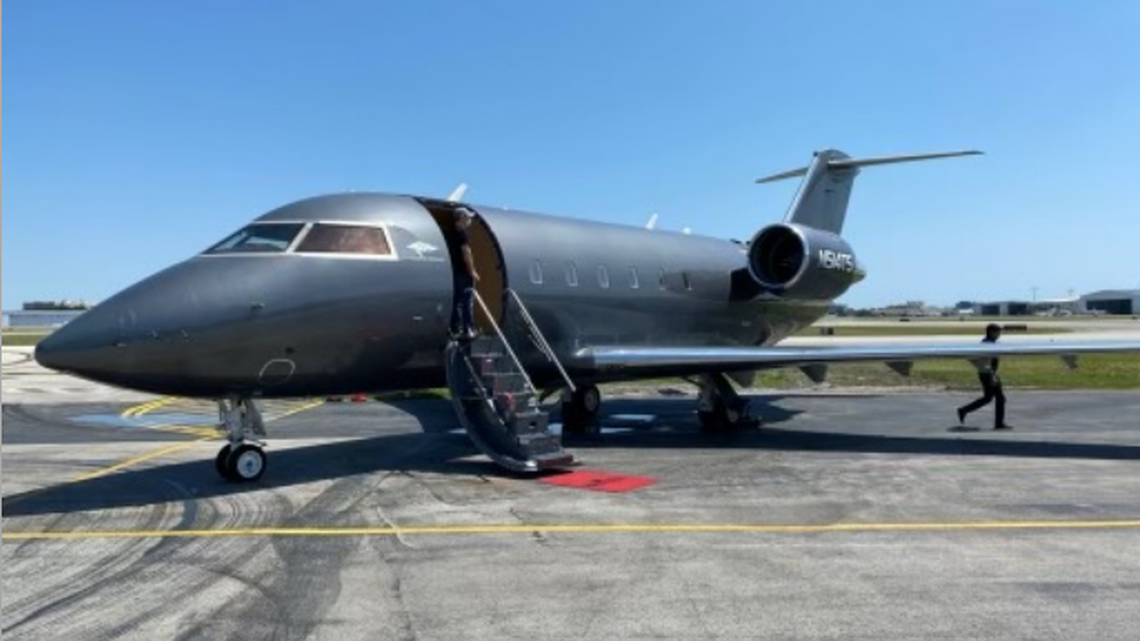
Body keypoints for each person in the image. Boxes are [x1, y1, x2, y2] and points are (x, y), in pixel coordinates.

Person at [957, 323, 1011, 429]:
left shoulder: (990, 343)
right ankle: (999, 424)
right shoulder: (987, 345)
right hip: (988, 374)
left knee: (988, 398)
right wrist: (991, 374)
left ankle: (964, 410)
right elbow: (978, 360)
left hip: (986, 373)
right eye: (997, 332)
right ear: (991, 332)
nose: (999, 334)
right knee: (1000, 398)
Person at [447, 207, 480, 340]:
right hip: (463, 273)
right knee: (466, 301)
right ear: (461, 218)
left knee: (456, 302)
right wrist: (472, 271)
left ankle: (455, 328)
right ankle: (468, 329)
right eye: (468, 218)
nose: (470, 221)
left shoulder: (450, 234)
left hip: (453, 273)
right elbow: (467, 253)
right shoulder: (462, 235)